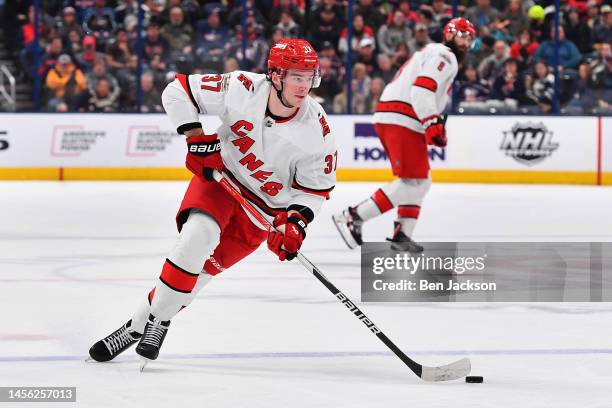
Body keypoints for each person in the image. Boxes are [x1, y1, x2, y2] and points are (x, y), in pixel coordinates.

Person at [88, 38, 336, 366]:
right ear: (275, 75)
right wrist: (195, 139)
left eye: (308, 77)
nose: (304, 86)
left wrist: (295, 224)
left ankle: (135, 327)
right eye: (296, 76)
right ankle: (160, 322)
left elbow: (314, 191)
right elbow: (177, 91)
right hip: (221, 183)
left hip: (260, 215)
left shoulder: (317, 131)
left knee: (198, 276)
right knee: (196, 238)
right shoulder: (242, 87)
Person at [332, 18, 475, 252]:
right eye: (462, 35)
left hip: (401, 116)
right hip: (403, 118)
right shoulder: (445, 56)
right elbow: (422, 88)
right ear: (449, 35)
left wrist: (431, 121)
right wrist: (432, 123)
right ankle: (353, 216)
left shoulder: (433, 52)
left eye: (470, 37)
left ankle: (402, 234)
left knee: (419, 181)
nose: (466, 41)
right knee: (414, 182)